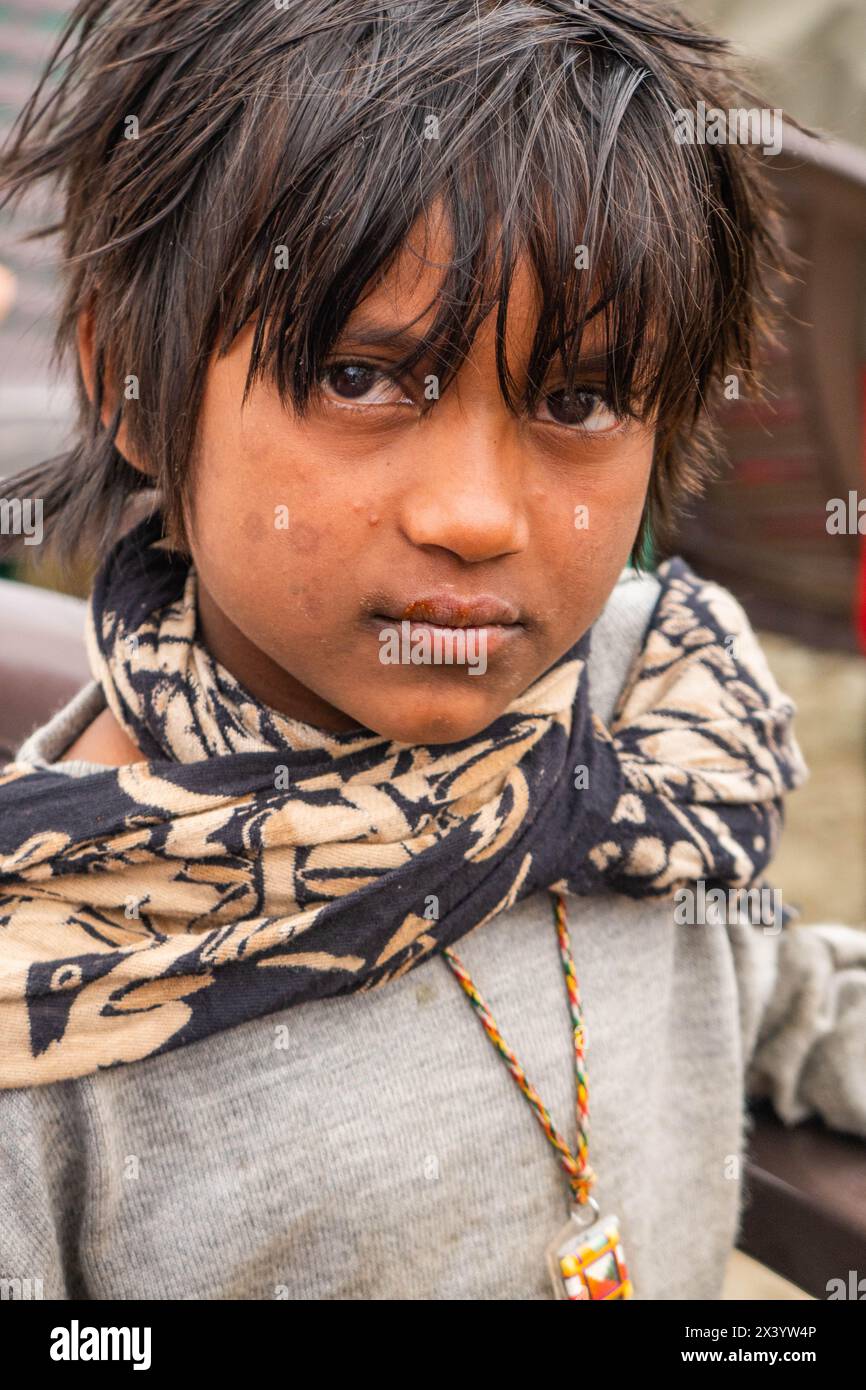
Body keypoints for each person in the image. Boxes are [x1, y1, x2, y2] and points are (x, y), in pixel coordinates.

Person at [0, 0, 863, 1301]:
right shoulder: (53, 968)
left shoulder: (648, 712)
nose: (471, 514)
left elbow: (767, 988)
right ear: (133, 381)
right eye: (358, 376)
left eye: (575, 401)